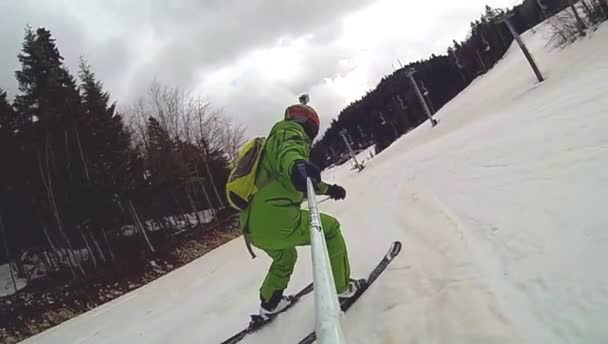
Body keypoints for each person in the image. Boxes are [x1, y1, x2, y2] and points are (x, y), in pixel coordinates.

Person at [240, 102, 364, 319]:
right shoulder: (288, 131)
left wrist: (329, 189)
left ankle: (270, 302)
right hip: (276, 220)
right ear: (311, 126)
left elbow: (299, 180)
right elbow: (291, 155)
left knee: (285, 257)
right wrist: (297, 165)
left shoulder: (269, 148)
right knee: (331, 229)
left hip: (251, 229)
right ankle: (342, 289)